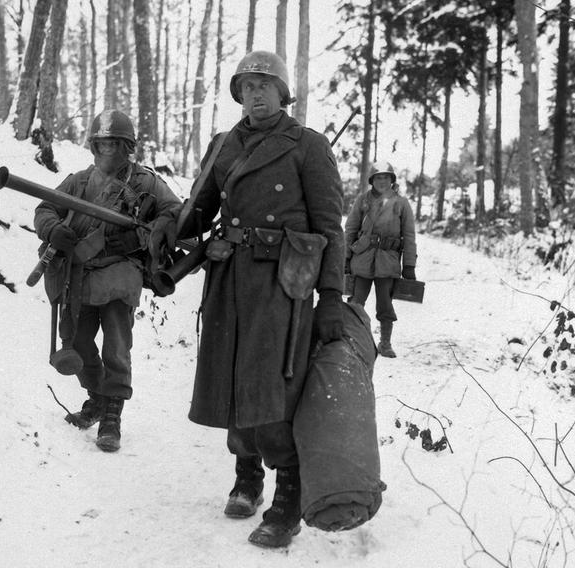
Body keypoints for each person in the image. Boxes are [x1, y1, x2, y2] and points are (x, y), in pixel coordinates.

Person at [149, 50, 345, 548]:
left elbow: (329, 229)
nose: (256, 93)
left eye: (265, 85)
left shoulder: (308, 146)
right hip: (229, 276)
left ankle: (289, 494)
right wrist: (164, 224)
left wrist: (332, 298)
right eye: (247, 86)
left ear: (283, 93)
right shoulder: (222, 146)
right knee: (231, 379)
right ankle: (247, 476)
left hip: (284, 283)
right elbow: (197, 212)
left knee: (274, 383)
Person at [34, 109, 182, 452]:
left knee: (116, 346)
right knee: (79, 343)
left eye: (115, 145)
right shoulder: (78, 181)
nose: (108, 152)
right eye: (102, 145)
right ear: (93, 147)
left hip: (120, 273)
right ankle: (97, 397)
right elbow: (45, 208)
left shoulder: (146, 183)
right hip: (79, 275)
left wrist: (152, 232)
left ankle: (113, 413)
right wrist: (53, 229)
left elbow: (174, 212)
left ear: (127, 147)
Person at [343, 160, 417, 358]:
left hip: (388, 261)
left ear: (392, 180)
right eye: (378, 177)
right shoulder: (362, 200)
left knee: (385, 304)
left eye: (386, 177)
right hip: (362, 258)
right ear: (372, 180)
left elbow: (409, 236)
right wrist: (345, 257)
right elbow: (350, 229)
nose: (382, 181)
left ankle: (385, 343)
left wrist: (409, 264)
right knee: (356, 302)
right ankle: (351, 341)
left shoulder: (401, 203)